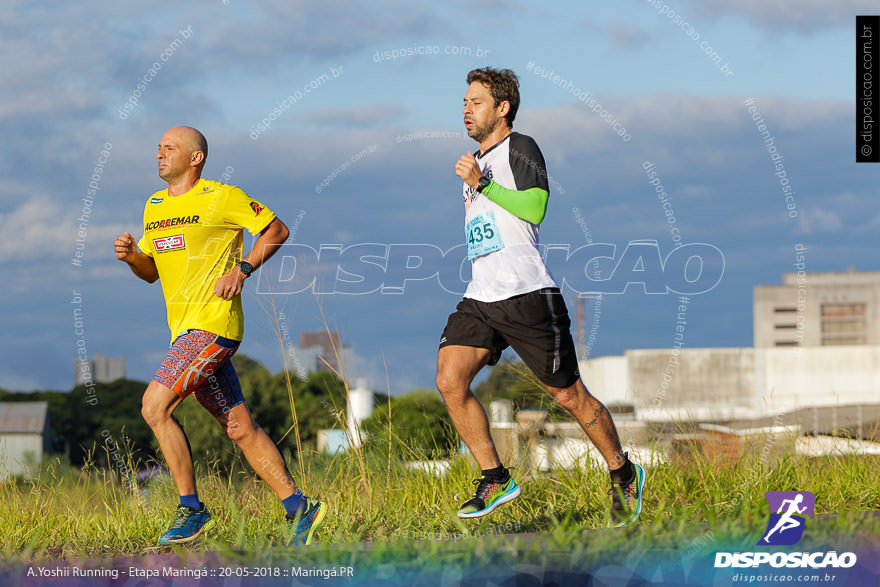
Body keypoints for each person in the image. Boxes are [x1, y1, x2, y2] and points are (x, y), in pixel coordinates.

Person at [437, 68, 645, 526]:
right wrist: (477, 179)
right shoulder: (473, 162)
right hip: (481, 295)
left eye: (476, 101)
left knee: (569, 396)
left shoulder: (521, 147)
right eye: (465, 102)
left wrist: (484, 182)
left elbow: (536, 208)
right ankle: (495, 477)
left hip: (528, 294)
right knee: (450, 380)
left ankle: (623, 472)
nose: (466, 109)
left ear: (502, 108)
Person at [114, 126, 325, 546]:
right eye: (157, 148)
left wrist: (243, 269)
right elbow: (151, 272)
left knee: (154, 406)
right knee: (239, 427)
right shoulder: (154, 206)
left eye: (169, 148)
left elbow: (277, 230)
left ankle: (191, 509)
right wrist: (133, 256)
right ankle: (300, 509)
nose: (159, 154)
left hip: (214, 326)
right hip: (184, 333)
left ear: (195, 158)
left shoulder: (222, 196)